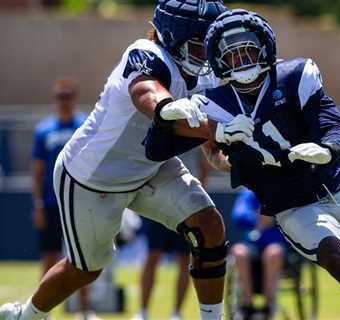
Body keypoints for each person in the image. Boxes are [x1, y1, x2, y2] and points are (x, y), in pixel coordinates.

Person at [143, 9, 340, 320]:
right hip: (293, 208)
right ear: (219, 60)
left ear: (265, 47)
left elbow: (334, 126)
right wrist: (166, 115)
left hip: (339, 186)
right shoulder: (212, 103)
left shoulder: (296, 75)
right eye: (231, 54)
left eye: (247, 49)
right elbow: (158, 149)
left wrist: (327, 149)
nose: (241, 59)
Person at [0, 1, 255, 319]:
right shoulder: (146, 53)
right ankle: (26, 316)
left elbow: (207, 138)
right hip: (93, 177)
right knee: (86, 270)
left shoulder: (201, 75)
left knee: (209, 226)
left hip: (151, 165)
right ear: (173, 36)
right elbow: (148, 95)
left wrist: (222, 156)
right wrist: (173, 110)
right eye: (201, 43)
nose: (208, 52)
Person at [31, 78, 99, 320]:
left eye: (68, 96)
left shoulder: (83, 125)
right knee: (49, 256)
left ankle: (84, 309)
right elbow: (37, 171)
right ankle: (41, 310)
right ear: (54, 99)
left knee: (81, 259)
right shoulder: (43, 130)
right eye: (60, 96)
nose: (64, 101)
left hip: (77, 201)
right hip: (50, 202)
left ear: (75, 98)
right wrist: (37, 204)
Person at [132, 148, 211, 320]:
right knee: (152, 256)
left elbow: (204, 166)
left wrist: (198, 200)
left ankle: (176, 313)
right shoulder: (161, 126)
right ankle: (142, 312)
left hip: (187, 206)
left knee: (184, 260)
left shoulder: (197, 129)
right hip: (158, 201)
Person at [230, 188, 285, 319]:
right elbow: (238, 213)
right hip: (252, 243)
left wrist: (274, 218)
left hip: (275, 243)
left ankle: (268, 306)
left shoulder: (283, 190)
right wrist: (256, 218)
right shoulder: (249, 192)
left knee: (273, 253)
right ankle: (247, 305)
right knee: (238, 252)